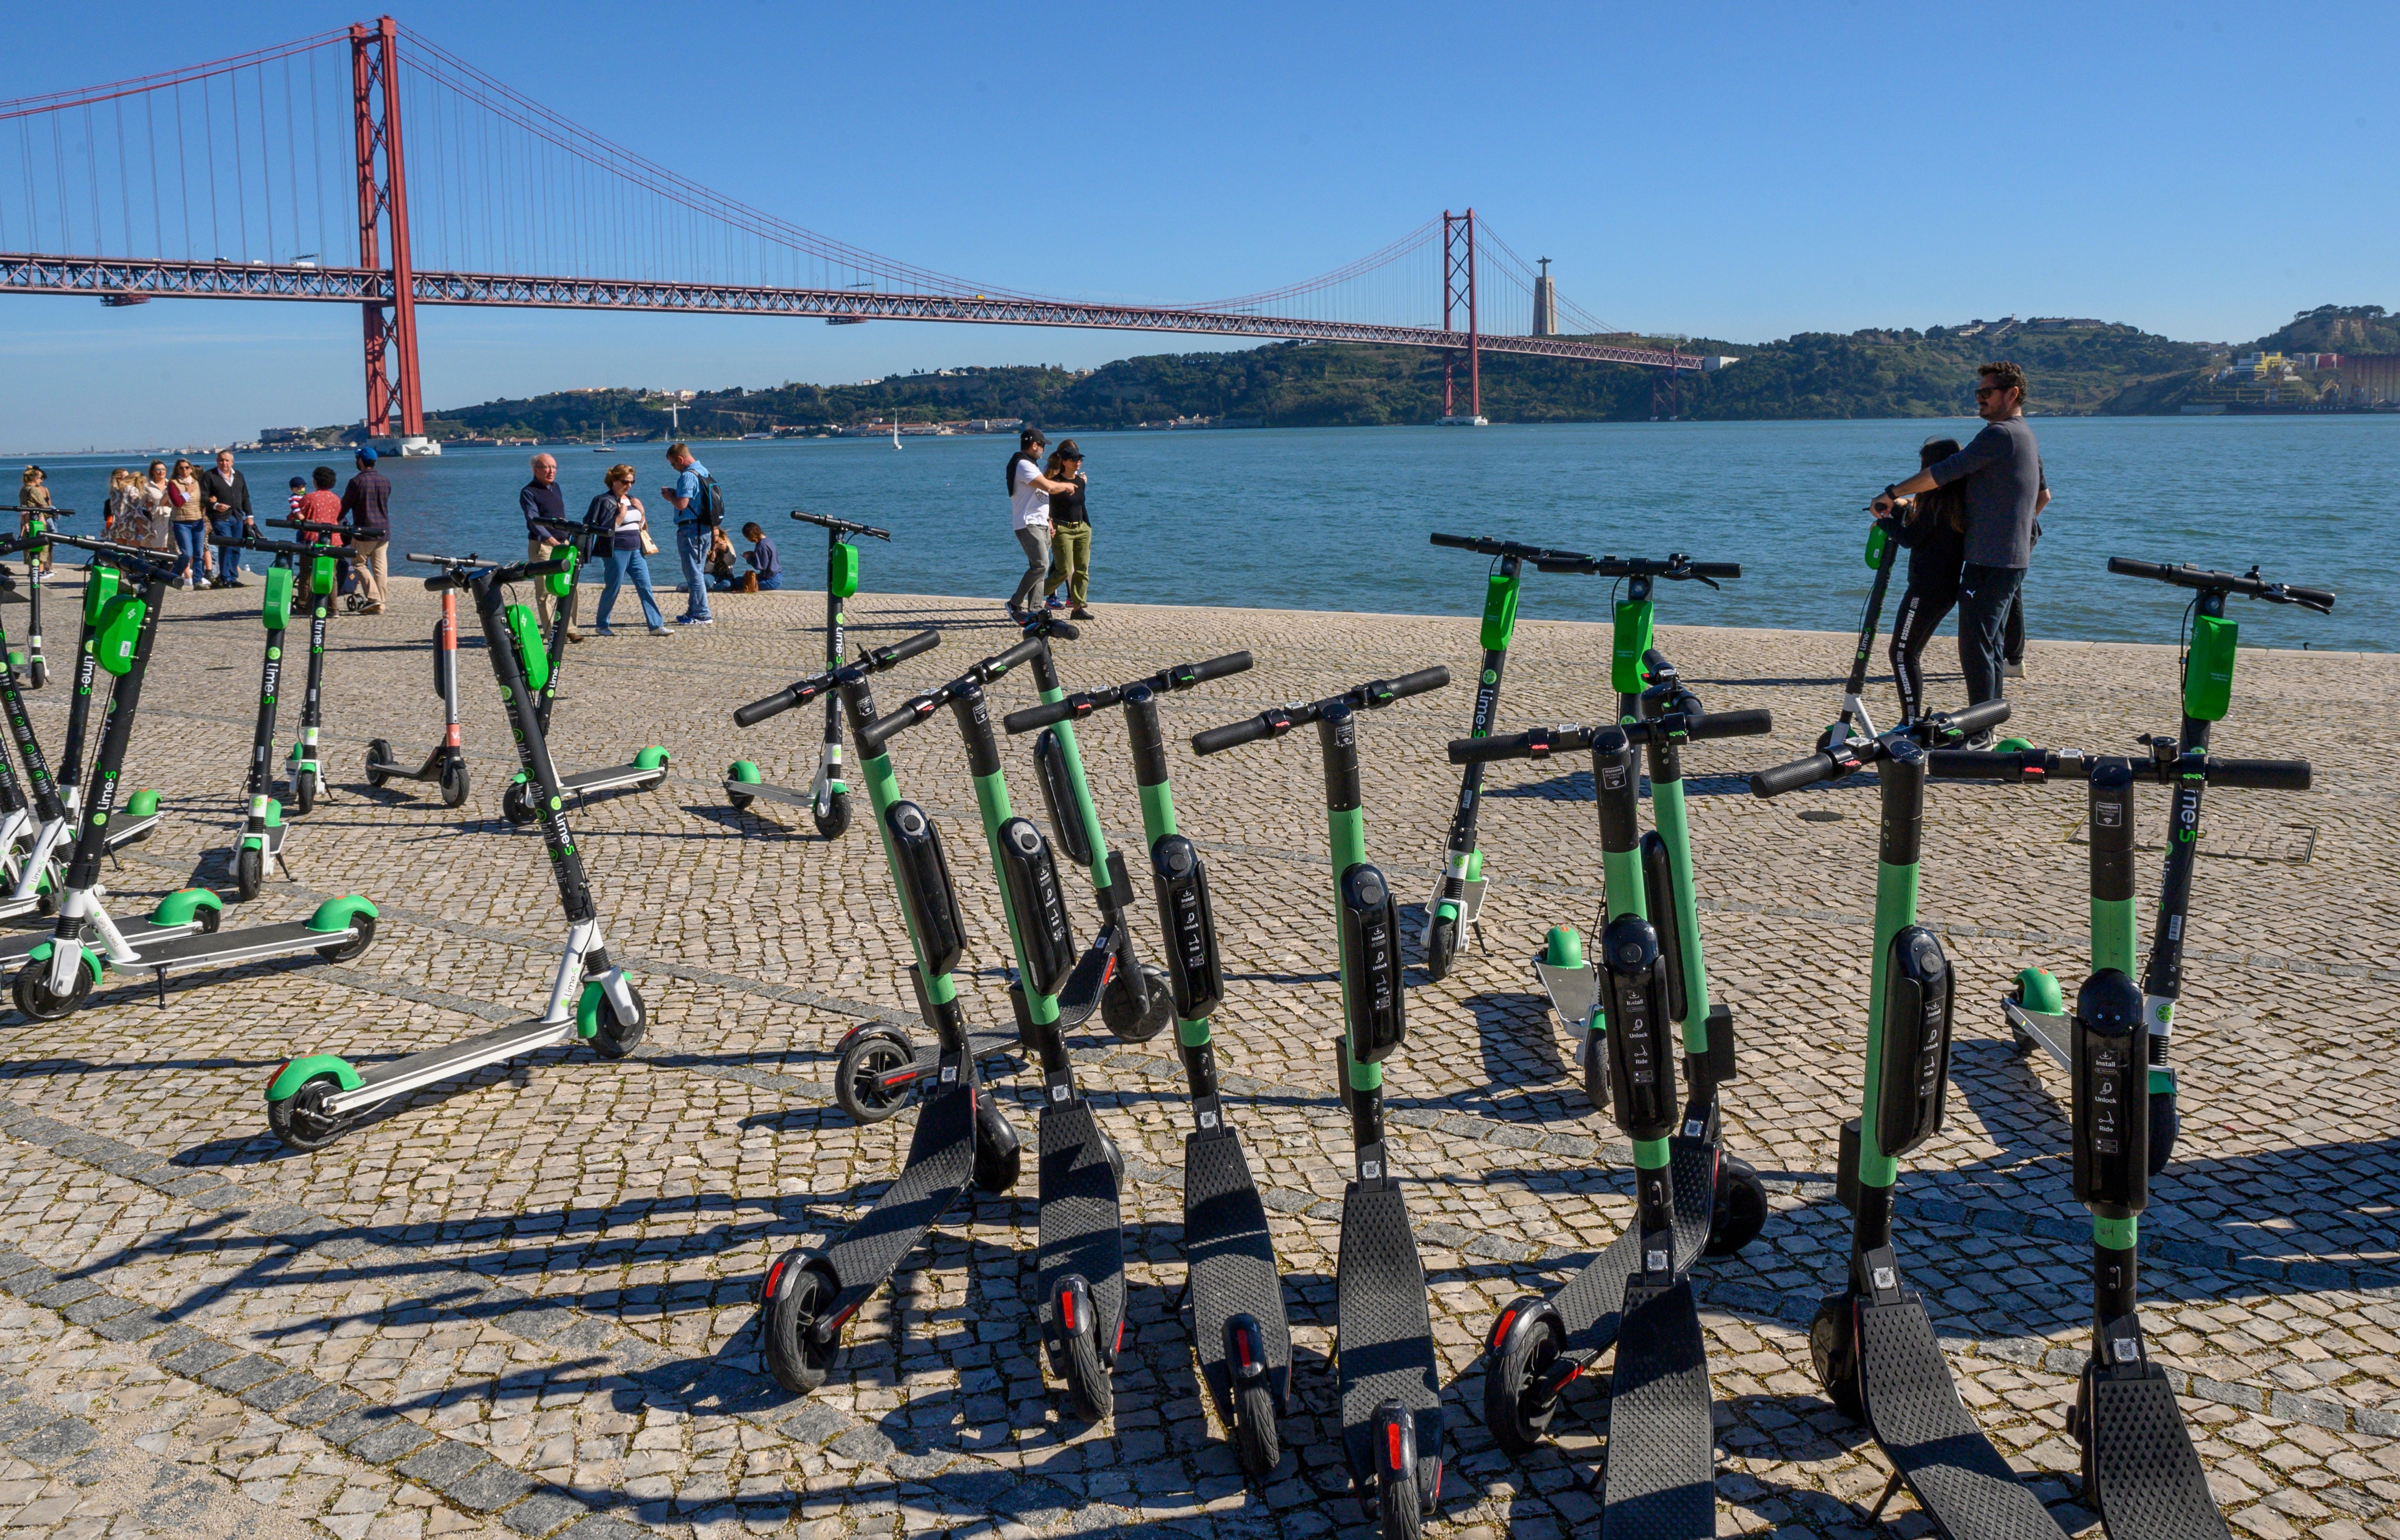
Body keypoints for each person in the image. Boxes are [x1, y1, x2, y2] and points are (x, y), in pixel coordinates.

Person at [1870, 360, 2048, 741]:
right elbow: (2044, 496)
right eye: (1978, 393)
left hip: (1992, 560)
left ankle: (1980, 739)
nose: (1980, 399)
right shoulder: (2025, 436)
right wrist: (2014, 528)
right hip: (2007, 557)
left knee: (1976, 650)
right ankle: (1987, 730)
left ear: (2012, 394)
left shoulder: (2000, 434)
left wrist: (1892, 494)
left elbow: (1943, 473)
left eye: (1987, 393)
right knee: (1990, 648)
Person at [1880, 437, 1968, 728]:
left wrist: (1882, 520)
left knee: (1902, 653)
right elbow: (1923, 528)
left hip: (1925, 590)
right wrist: (1903, 505)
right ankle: (1912, 717)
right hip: (1943, 589)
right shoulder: (1952, 497)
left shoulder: (1938, 502)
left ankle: (1911, 720)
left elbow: (1909, 538)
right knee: (1909, 653)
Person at [1004, 427, 1078, 622]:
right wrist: (1067, 486)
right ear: (1034, 445)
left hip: (1041, 523)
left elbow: (1039, 498)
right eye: (1043, 445)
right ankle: (1014, 603)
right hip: (1027, 523)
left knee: (1041, 568)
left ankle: (1036, 608)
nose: (1044, 450)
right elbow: (1048, 487)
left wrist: (1049, 520)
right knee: (1041, 564)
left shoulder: (1031, 465)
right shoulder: (1022, 465)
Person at [590, 464, 667, 636]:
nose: (629, 485)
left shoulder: (632, 499)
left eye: (632, 482)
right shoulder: (603, 500)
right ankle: (602, 625)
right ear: (614, 481)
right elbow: (600, 530)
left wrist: (643, 513)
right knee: (613, 587)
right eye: (625, 482)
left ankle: (656, 626)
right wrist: (619, 517)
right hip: (616, 551)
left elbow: (640, 526)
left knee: (646, 587)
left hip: (637, 550)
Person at [519, 452, 583, 643]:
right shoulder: (528, 492)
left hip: (563, 545)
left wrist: (568, 536)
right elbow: (533, 520)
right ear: (535, 470)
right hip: (542, 547)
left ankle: (570, 629)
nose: (551, 471)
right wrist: (549, 539)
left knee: (570, 586)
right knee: (546, 591)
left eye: (554, 467)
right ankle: (552, 633)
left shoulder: (556, 488)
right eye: (547, 467)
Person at [659, 442, 715, 625]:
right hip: (705, 528)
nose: (674, 468)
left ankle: (702, 614)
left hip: (691, 530)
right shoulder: (704, 471)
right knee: (696, 571)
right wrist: (677, 494)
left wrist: (671, 498)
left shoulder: (688, 476)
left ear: (680, 459)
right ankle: (693, 611)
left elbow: (682, 505)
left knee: (693, 573)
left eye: (673, 464)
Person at [1041, 440, 1093, 619]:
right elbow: (1046, 507)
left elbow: (1081, 506)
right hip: (1062, 529)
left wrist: (1087, 526)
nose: (1077, 462)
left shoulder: (1080, 481)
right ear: (1064, 462)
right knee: (1063, 570)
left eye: (1079, 459)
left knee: (1082, 569)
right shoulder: (1054, 483)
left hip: (1082, 528)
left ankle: (1078, 608)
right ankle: (1036, 593)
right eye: (1073, 459)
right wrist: (1049, 522)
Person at [339, 446, 392, 614]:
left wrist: (337, 521)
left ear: (360, 461)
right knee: (380, 568)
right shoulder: (386, 481)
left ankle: (374, 599)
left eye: (357, 459)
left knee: (358, 563)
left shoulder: (356, 482)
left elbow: (344, 507)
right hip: (384, 530)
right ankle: (381, 603)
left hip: (365, 531)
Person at [294, 467, 349, 614]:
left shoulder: (309, 498)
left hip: (312, 540)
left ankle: (304, 605)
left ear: (316, 481)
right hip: (334, 540)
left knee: (307, 573)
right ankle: (333, 608)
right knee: (332, 575)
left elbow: (299, 516)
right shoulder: (336, 499)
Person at [198, 449, 255, 588]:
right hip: (220, 518)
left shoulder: (239, 476)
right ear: (217, 461)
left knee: (237, 548)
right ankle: (226, 579)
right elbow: (202, 496)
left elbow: (245, 496)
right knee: (227, 546)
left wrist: (250, 515)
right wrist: (215, 505)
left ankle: (233, 578)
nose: (224, 463)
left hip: (237, 517)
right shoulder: (210, 476)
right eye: (221, 460)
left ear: (232, 462)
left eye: (227, 460)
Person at [167, 458, 208, 589]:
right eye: (181, 468)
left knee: (199, 553)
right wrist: (188, 492)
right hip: (182, 523)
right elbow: (178, 503)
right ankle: (173, 577)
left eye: (187, 467)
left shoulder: (197, 483)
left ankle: (198, 581)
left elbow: (203, 501)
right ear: (177, 470)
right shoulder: (173, 484)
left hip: (198, 522)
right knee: (186, 553)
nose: (185, 470)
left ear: (191, 469)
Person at [738, 522, 780, 590]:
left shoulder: (762, 546)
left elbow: (761, 566)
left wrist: (749, 559)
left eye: (748, 538)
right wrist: (752, 554)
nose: (748, 540)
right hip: (776, 577)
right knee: (740, 580)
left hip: (771, 581)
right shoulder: (768, 541)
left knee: (739, 582)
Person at [704, 525, 740, 590]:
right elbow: (706, 570)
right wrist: (712, 559)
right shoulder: (705, 546)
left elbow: (731, 562)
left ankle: (713, 589)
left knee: (727, 585)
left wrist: (726, 551)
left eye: (717, 536)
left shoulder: (726, 543)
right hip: (710, 575)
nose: (715, 539)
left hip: (724, 575)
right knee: (706, 582)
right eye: (712, 536)